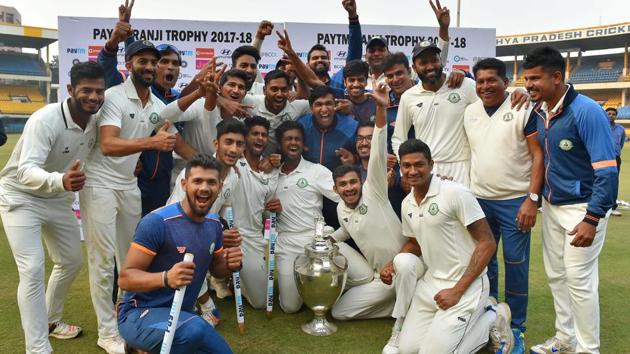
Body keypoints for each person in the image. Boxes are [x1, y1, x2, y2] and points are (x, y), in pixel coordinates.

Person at [81, 39, 206, 354]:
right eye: (143, 61)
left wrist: (199, 91)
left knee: (131, 260)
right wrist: (151, 145)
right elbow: (109, 144)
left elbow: (170, 113)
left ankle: (130, 319)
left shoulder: (151, 103)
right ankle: (107, 333)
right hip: (100, 185)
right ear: (129, 63)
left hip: (127, 186)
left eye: (154, 61)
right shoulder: (113, 97)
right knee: (102, 261)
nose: (150, 67)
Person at [0, 62, 105, 354]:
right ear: (70, 90)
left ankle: (50, 320)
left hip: (58, 200)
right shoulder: (45, 119)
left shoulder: (96, 121)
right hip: (20, 198)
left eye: (99, 91)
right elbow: (24, 172)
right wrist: (61, 180)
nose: (93, 97)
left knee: (71, 261)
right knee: (32, 269)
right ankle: (38, 348)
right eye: (86, 90)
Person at [523, 46, 618, 354]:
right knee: (556, 276)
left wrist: (592, 218)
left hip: (583, 208)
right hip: (552, 207)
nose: (529, 85)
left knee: (579, 281)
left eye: (535, 79)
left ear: (556, 77)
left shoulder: (586, 111)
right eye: (526, 79)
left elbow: (607, 171)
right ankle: (565, 339)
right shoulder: (539, 110)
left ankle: (588, 349)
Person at [391, 138, 513, 354]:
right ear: (400, 167)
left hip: (466, 286)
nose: (412, 171)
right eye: (406, 165)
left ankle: (493, 317)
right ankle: (470, 322)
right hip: (430, 285)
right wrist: (391, 264)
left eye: (419, 164)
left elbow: (487, 243)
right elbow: (415, 243)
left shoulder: (455, 193)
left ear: (431, 164)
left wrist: (457, 290)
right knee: (406, 350)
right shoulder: (406, 203)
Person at [117, 154, 241, 354]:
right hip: (138, 314)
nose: (204, 188)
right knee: (197, 328)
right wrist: (166, 278)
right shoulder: (157, 222)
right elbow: (125, 278)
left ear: (219, 187)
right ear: (184, 184)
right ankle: (138, 347)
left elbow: (217, 271)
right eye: (197, 181)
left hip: (183, 317)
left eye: (211, 182)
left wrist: (229, 263)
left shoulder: (215, 225)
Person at [328, 83, 418, 351]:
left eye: (353, 182)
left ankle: (401, 322)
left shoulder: (374, 191)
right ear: (336, 190)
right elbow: (345, 230)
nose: (349, 188)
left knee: (402, 264)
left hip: (405, 269)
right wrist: (323, 239)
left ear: (361, 181)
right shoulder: (340, 209)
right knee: (339, 312)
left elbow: (378, 148)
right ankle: (400, 304)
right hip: (381, 279)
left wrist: (380, 107)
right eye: (343, 185)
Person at [464, 57, 544, 353]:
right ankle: (490, 320)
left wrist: (532, 200)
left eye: (491, 80)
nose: (485, 86)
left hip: (515, 202)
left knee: (515, 265)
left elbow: (538, 156)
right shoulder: (470, 111)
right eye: (480, 81)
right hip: (478, 200)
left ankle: (517, 328)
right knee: (485, 263)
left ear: (506, 82)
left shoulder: (522, 106)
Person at [273, 120, 341, 313]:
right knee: (290, 307)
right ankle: (301, 285)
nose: (293, 143)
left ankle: (312, 283)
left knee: (327, 295)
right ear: (280, 144)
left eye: (298, 139)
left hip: (314, 239)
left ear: (304, 144)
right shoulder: (270, 173)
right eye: (288, 139)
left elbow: (343, 196)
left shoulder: (316, 170)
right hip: (286, 240)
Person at [232, 116, 282, 309]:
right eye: (255, 134)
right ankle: (219, 277)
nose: (260, 138)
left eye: (263, 135)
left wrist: (275, 208)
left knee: (261, 302)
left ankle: (237, 277)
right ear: (245, 137)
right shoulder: (233, 160)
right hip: (230, 234)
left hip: (254, 236)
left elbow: (268, 210)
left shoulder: (270, 168)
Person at [298, 85, 358, 172]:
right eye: (319, 104)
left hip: (338, 180)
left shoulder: (351, 126)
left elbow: (365, 154)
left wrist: (354, 159)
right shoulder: (301, 126)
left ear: (335, 105)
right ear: (311, 108)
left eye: (328, 103)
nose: (324, 109)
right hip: (307, 180)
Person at [248, 70, 310, 152]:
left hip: (283, 161)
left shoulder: (297, 106)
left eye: (284, 90)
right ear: (264, 90)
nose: (279, 94)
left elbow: (320, 102)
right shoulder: (251, 102)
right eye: (274, 89)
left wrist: (299, 73)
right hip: (255, 159)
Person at [606, 107, 625, 216]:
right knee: (597, 180)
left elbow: (621, 143)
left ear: (616, 116)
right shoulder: (601, 126)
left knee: (614, 182)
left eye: (613, 114)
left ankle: (612, 207)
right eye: (609, 114)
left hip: (615, 158)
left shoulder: (621, 129)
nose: (611, 116)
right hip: (602, 158)